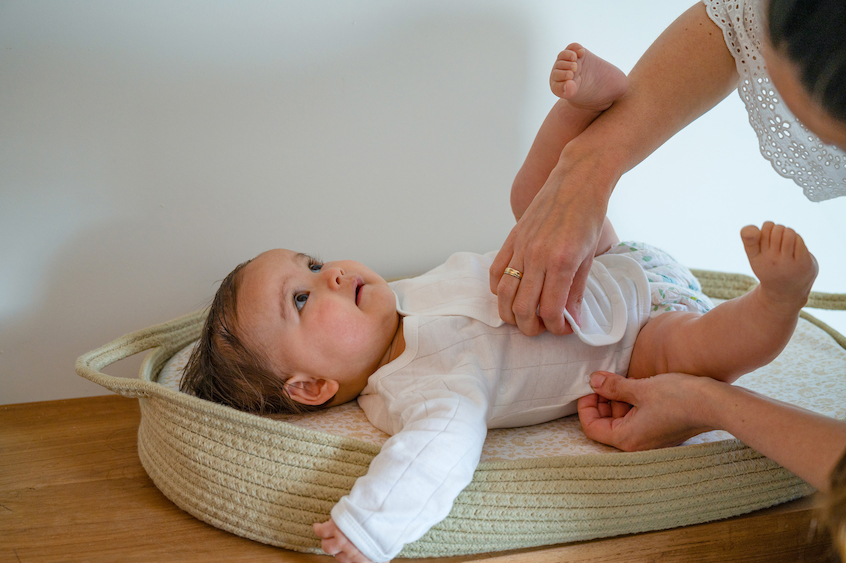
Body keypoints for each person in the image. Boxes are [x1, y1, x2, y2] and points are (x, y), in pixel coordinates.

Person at [181, 46, 819, 563]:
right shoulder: (415, 391)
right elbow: (436, 456)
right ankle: (778, 300)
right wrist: (369, 526)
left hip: (601, 264)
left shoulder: (396, 301)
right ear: (315, 387)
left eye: (313, 263)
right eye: (302, 297)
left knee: (528, 198)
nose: (331, 274)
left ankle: (590, 109)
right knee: (706, 352)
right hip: (637, 337)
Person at [482, 0, 846, 557]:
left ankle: (777, 300)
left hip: (641, 339)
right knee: (539, 204)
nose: (333, 276)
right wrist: (593, 166)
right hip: (615, 274)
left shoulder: (396, 384)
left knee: (700, 350)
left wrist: (710, 401)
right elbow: (734, 19)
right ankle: (587, 112)